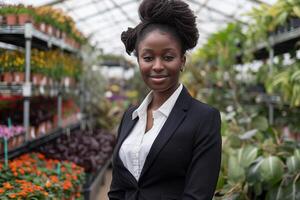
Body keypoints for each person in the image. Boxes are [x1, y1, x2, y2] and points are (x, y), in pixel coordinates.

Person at [108, 0, 222, 199]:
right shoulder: (130, 116)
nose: (158, 66)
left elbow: (198, 195)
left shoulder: (203, 118)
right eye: (148, 58)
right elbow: (118, 189)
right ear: (138, 61)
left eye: (168, 57)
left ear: (182, 61)